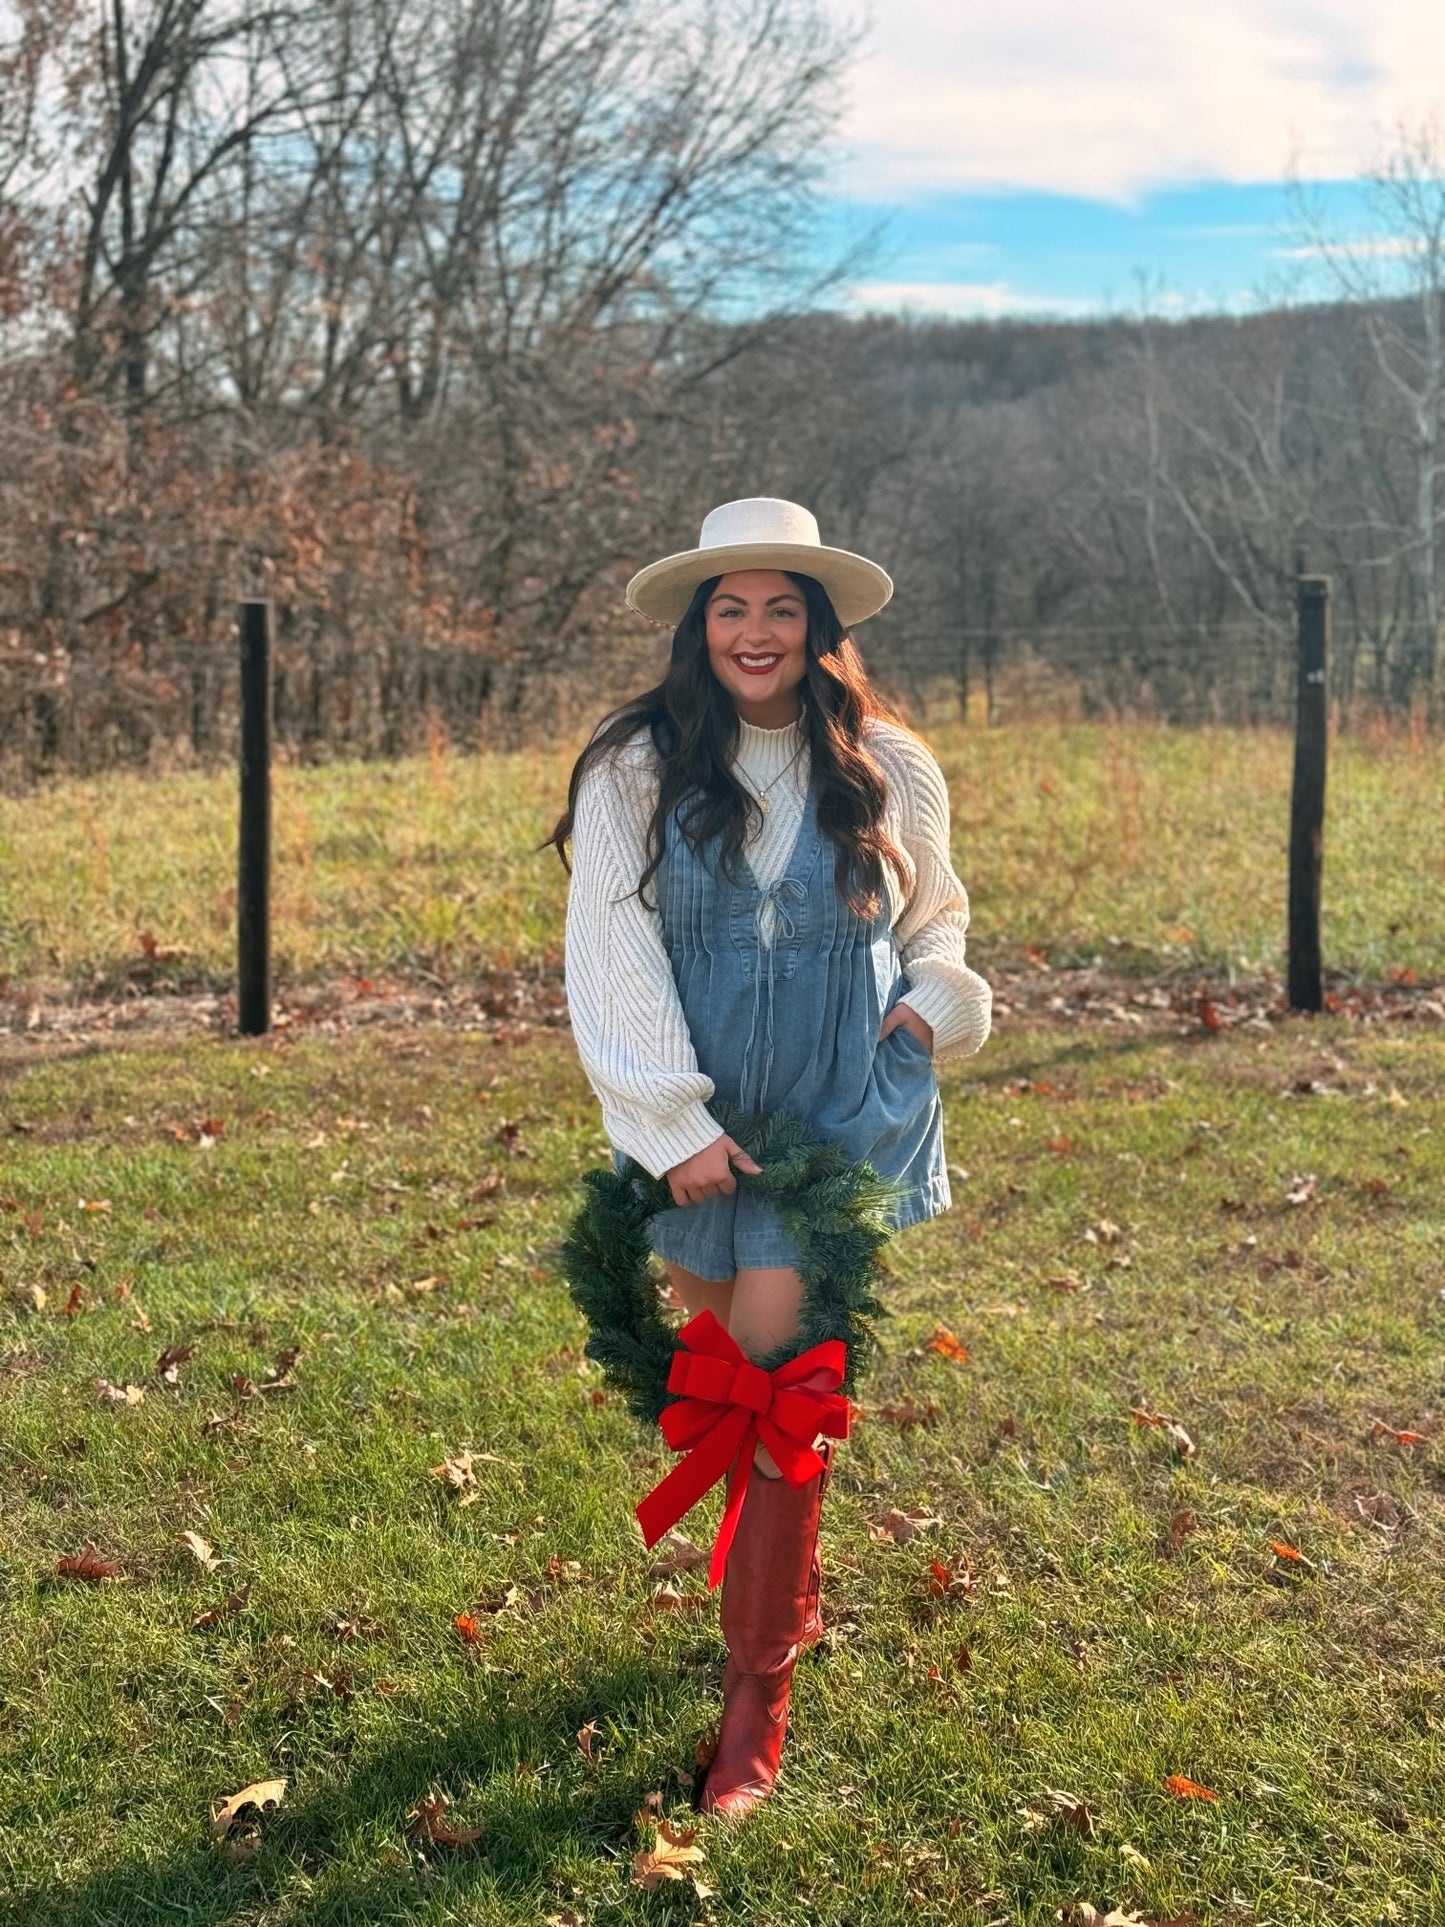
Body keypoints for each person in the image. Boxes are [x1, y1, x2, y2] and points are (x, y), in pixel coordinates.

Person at [547, 497, 992, 1817]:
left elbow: (939, 915)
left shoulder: (886, 762)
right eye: (729, 608)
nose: (754, 632)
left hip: (837, 1114)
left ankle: (758, 1687)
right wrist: (672, 1126)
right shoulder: (634, 766)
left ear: (816, 625)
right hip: (693, 1130)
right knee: (729, 1386)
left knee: (781, 1390)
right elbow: (608, 951)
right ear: (699, 627)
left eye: (779, 608)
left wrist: (935, 1004)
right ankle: (764, 1605)